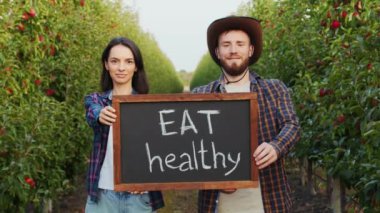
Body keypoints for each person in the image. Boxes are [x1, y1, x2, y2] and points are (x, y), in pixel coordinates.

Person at [192, 16, 300, 213]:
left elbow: (291, 125)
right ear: (217, 52)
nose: (233, 50)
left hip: (267, 201)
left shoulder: (274, 89)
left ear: (250, 50)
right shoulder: (200, 96)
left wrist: (276, 147)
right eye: (226, 45)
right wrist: (213, 177)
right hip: (217, 205)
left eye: (240, 44)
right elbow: (189, 147)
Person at [84, 37, 164, 212]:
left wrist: (148, 179)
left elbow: (161, 151)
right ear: (106, 64)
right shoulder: (97, 101)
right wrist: (100, 114)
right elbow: (91, 111)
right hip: (103, 196)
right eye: (114, 61)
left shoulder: (148, 106)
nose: (121, 68)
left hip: (138, 197)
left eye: (128, 62)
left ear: (136, 67)